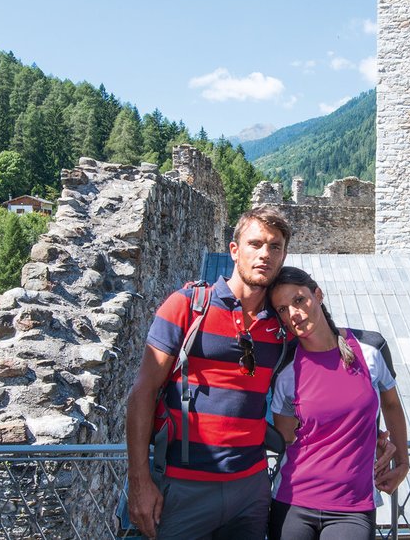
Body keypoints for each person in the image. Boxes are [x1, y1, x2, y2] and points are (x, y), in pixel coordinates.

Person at [125, 206, 292, 540]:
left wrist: (372, 435)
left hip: (251, 487)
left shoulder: (282, 325)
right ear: (234, 250)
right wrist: (140, 483)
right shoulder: (187, 306)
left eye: (275, 247)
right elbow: (141, 394)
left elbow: (323, 373)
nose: (265, 254)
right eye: (255, 244)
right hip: (185, 487)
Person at [268, 266, 410, 540]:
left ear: (318, 295)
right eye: (283, 309)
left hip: (352, 506)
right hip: (293, 500)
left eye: (298, 300)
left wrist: (402, 462)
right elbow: (287, 437)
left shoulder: (370, 348)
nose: (294, 314)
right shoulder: (285, 368)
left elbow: (391, 406)